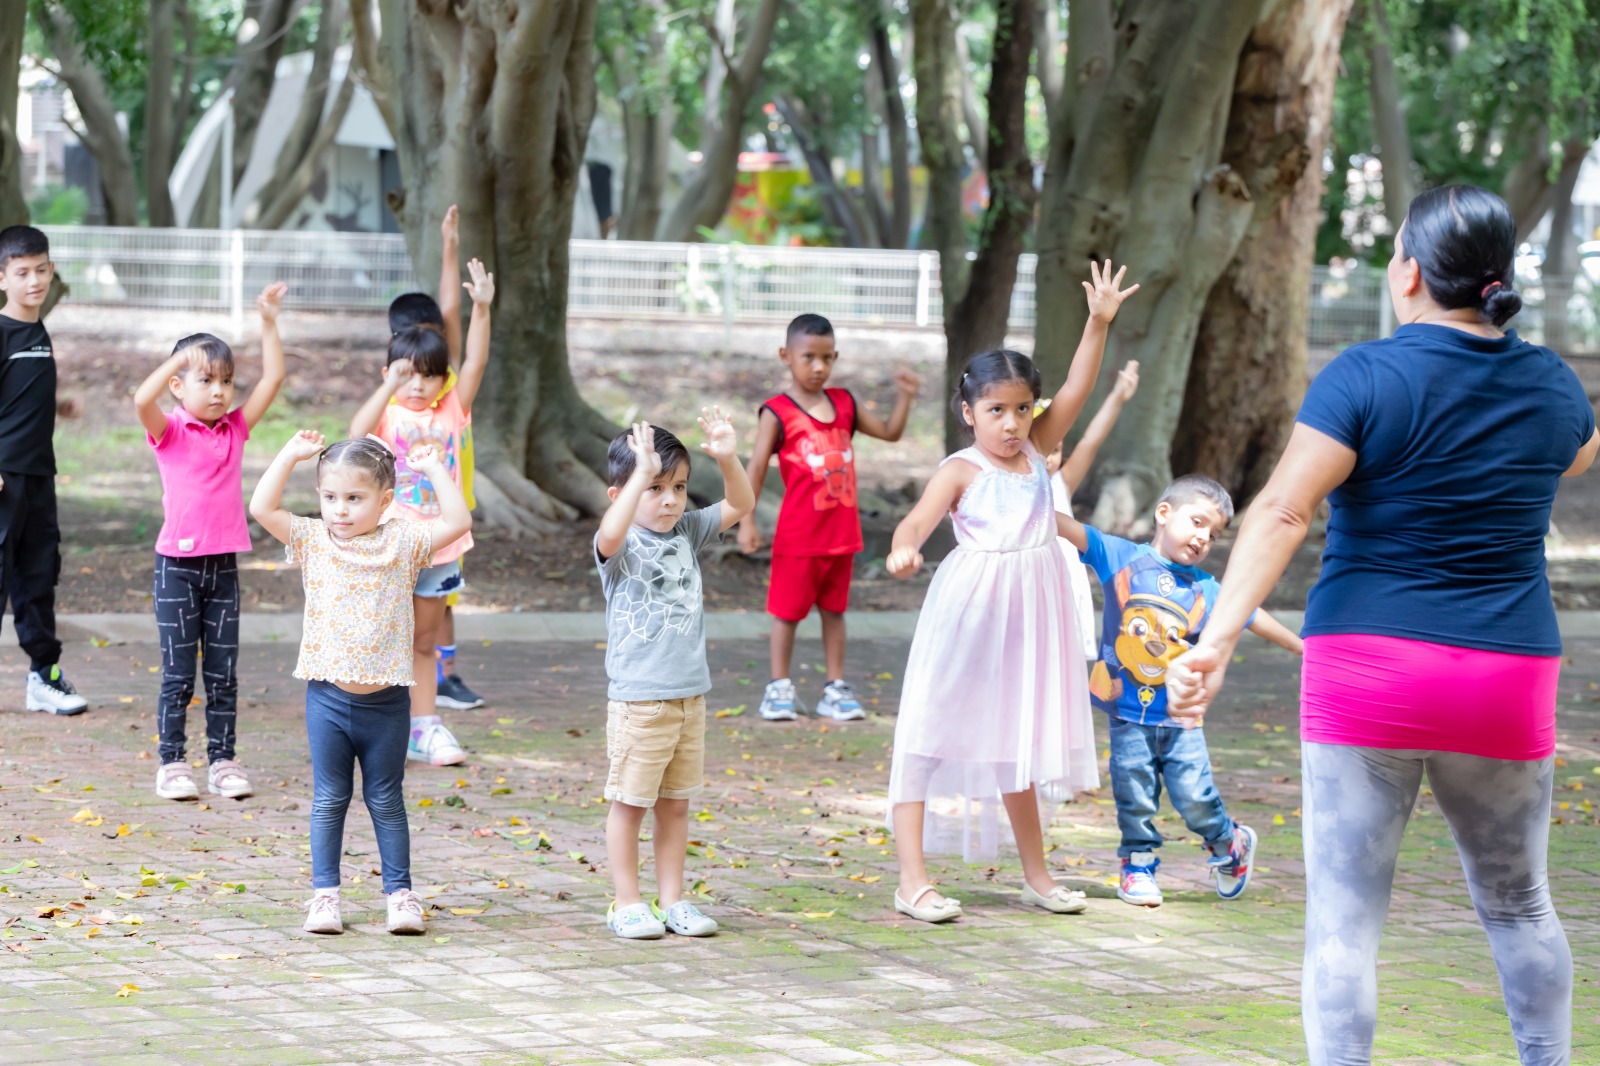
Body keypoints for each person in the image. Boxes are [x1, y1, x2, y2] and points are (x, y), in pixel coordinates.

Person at [1166, 184, 1597, 1064]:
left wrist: (1214, 643)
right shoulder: (1553, 385)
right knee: (1520, 906)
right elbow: (1579, 449)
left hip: (1371, 674)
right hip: (1506, 680)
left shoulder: (1364, 376)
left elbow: (1282, 512)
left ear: (1407, 271)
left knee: (1346, 922)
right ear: (1498, 281)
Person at [882, 260, 1137, 924]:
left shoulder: (1035, 453)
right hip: (973, 609)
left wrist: (1098, 321)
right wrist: (904, 545)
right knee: (928, 734)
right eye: (996, 410)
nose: (1012, 423)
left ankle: (1037, 874)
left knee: (1016, 739)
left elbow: (1079, 390)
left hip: (1033, 610)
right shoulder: (961, 469)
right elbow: (918, 518)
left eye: (1023, 408)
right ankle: (912, 880)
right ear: (968, 412)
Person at [249, 432, 472, 936]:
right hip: (327, 700)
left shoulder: (403, 540)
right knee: (329, 798)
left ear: (385, 500)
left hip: (388, 705)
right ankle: (325, 897)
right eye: (330, 497)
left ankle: (400, 895)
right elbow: (262, 506)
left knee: (386, 799)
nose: (340, 510)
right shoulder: (312, 539)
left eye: (354, 498)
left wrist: (435, 469)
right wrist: (287, 455)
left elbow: (458, 522)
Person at [1057, 475, 1301, 906]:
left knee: (1194, 798)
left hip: (1181, 715)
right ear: (1164, 513)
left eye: (1214, 532)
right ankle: (1138, 865)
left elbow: (1250, 613)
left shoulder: (1205, 588)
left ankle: (1230, 844)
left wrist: (1301, 647)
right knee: (1133, 794)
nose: (1203, 537)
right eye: (1197, 521)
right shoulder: (1120, 557)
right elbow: (1065, 525)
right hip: (1127, 712)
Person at [595, 413, 754, 939]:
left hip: (690, 697)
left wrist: (728, 458)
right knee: (630, 803)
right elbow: (609, 531)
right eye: (655, 488)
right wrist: (641, 474)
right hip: (641, 701)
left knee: (676, 806)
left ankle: (673, 900)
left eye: (679, 488)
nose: (669, 500)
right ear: (620, 491)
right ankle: (625, 902)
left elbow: (740, 505)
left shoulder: (686, 529)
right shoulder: (616, 547)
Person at [134, 282, 289, 802]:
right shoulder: (170, 431)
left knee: (223, 674)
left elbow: (274, 379)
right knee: (179, 675)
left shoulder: (235, 429)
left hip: (223, 568)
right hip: (176, 568)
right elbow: (141, 398)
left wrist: (267, 322)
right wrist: (180, 357)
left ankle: (223, 761)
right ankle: (172, 762)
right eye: (206, 380)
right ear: (179, 385)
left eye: (226, 381)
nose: (220, 391)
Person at [737, 313, 921, 722]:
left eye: (827, 358)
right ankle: (779, 688)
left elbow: (890, 432)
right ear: (786, 356)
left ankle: (835, 689)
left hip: (841, 537)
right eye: (808, 357)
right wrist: (746, 522)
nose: (818, 367)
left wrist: (905, 396)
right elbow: (754, 469)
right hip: (798, 537)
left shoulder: (845, 403)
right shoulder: (777, 412)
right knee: (786, 615)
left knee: (835, 613)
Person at [351, 257, 494, 767]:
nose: (418, 385)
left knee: (424, 640)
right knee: (378, 638)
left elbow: (475, 362)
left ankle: (424, 727)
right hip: (391, 548)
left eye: (428, 376)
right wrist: (390, 383)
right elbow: (355, 434)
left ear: (443, 380)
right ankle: (367, 728)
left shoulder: (453, 408)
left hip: (440, 546)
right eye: (408, 375)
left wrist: (482, 308)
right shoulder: (387, 413)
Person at [387, 205, 487, 713]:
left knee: (443, 596)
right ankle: (414, 680)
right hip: (406, 517)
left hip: (450, 510)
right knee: (415, 602)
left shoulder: (448, 392)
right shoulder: (396, 400)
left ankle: (443, 675)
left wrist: (450, 244)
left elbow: (455, 316)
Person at [0, 224, 87, 715]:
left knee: (38, 577)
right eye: (22, 272)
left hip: (39, 476)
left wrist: (58, 408)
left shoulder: (37, 331)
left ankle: (43, 677)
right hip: (4, 477)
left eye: (41, 270)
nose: (34, 280)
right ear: (2, 279)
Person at [1040, 360, 1140, 658]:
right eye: (1041, 447)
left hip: (1066, 588)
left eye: (1055, 450)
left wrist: (1117, 397)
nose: (1048, 458)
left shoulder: (1060, 483)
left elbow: (1090, 442)